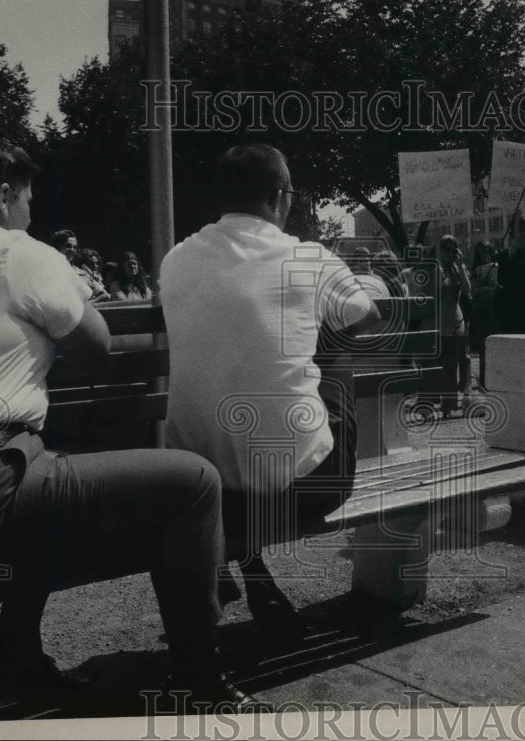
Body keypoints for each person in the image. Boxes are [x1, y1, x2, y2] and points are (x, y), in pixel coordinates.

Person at [0, 130, 253, 707]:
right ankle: (200, 678)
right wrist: (72, 292)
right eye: (29, 203)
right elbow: (97, 343)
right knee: (193, 481)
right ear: (6, 194)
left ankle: (18, 656)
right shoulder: (17, 253)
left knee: (46, 465)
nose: (31, 216)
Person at [160, 144, 379, 637]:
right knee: (336, 346)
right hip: (303, 490)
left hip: (201, 488)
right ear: (280, 198)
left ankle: (251, 570)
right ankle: (252, 570)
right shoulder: (308, 257)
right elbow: (369, 316)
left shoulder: (175, 260)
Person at [431, 235, 473, 416]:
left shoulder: (458, 269)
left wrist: (462, 266)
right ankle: (444, 401)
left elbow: (467, 288)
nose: (449, 254)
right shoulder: (435, 269)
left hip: (457, 322)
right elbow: (434, 291)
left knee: (453, 365)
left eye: (452, 250)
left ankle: (449, 404)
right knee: (441, 366)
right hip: (439, 322)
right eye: (446, 250)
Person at [469, 242, 499, 387]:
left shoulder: (497, 267)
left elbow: (498, 287)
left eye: (487, 251)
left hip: (494, 309)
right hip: (480, 310)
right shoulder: (476, 269)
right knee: (483, 347)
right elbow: (472, 290)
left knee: (495, 345)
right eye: (481, 252)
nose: (484, 254)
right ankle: (483, 379)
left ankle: (494, 379)